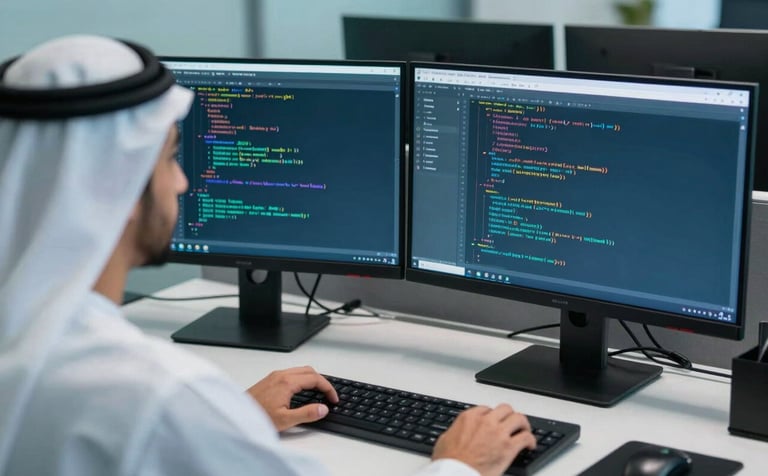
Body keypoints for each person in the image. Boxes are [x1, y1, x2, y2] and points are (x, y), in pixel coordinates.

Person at [0, 35, 536, 476]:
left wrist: (231, 420)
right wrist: (462, 465)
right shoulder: (158, 394)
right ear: (114, 188)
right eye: (168, 159)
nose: (183, 181)